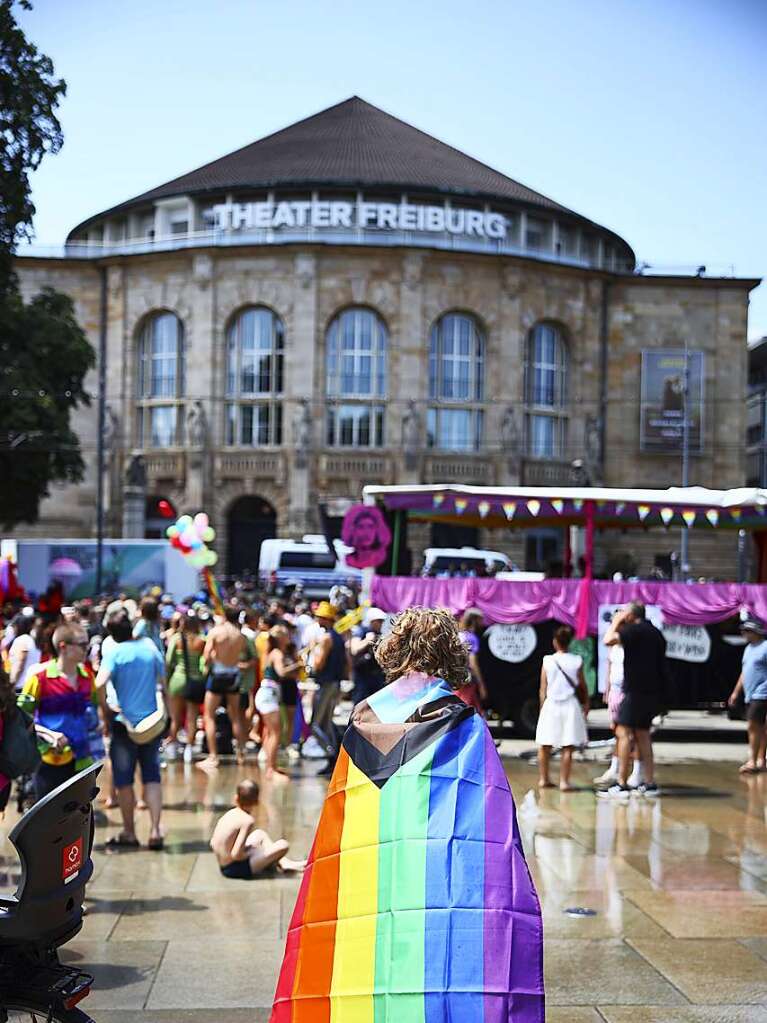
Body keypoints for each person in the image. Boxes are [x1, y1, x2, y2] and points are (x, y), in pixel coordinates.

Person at [270, 606, 544, 1021]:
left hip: (373, 871)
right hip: (436, 871)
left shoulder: (363, 719)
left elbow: (343, 819)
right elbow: (487, 820)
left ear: (395, 649)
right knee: (434, 969)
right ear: (449, 652)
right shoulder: (464, 722)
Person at [96, 610, 167, 849]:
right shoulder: (149, 650)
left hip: (123, 723)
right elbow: (163, 685)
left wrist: (105, 707)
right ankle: (156, 830)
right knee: (152, 776)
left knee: (124, 780)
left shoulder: (114, 653)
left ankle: (129, 832)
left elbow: (99, 683)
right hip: (151, 724)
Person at [18, 623, 97, 800]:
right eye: (83, 645)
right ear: (63, 647)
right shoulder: (40, 679)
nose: (87, 649)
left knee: (80, 820)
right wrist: (48, 734)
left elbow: (93, 713)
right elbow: (20, 719)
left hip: (82, 761)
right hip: (48, 762)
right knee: (49, 822)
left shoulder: (88, 678)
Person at [600, 603, 667, 798]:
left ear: (631, 615)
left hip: (634, 691)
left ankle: (621, 783)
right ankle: (649, 782)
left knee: (623, 733)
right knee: (643, 735)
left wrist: (617, 621)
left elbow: (608, 639)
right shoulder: (655, 633)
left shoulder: (635, 631)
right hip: (651, 692)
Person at [210, 779, 304, 879]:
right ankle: (280, 862)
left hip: (223, 865)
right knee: (283, 845)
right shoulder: (247, 821)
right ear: (257, 802)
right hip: (235, 869)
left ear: (236, 798)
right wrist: (251, 852)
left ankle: (285, 863)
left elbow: (213, 843)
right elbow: (236, 855)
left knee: (259, 834)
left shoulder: (230, 813)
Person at [535, 625, 589, 791]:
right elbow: (582, 685)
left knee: (545, 743)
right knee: (568, 744)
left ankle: (544, 779)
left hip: (551, 704)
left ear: (555, 642)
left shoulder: (548, 660)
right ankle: (564, 781)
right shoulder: (576, 660)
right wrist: (586, 703)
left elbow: (543, 688)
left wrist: (542, 707)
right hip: (570, 705)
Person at [199, 605, 249, 770]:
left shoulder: (216, 632)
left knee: (209, 715)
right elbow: (240, 654)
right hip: (233, 675)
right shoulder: (240, 636)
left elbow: (206, 656)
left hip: (218, 674)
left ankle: (213, 756)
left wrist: (213, 658)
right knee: (235, 715)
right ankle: (241, 753)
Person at [307, 601, 349, 776]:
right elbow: (347, 663)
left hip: (325, 684)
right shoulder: (339, 637)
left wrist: (312, 653)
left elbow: (318, 664)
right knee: (328, 722)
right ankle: (335, 757)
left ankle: (333, 754)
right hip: (335, 684)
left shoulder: (325, 638)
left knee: (316, 724)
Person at [258, 625, 300, 782]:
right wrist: (297, 665)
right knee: (276, 733)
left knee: (271, 732)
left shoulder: (272, 652)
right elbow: (282, 672)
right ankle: (271, 769)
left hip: (269, 692)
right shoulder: (277, 653)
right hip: (269, 692)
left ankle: (272, 766)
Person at [165, 612, 206, 763]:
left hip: (177, 680)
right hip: (194, 681)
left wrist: (166, 681)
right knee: (192, 717)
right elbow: (204, 663)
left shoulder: (176, 639)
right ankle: (189, 747)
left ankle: (173, 747)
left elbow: (169, 662)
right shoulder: (202, 641)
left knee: (175, 717)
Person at [728, 618, 767, 774]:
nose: (744, 633)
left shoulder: (765, 647)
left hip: (762, 692)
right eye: (744, 630)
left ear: (757, 632)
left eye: (748, 630)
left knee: (753, 725)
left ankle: (753, 760)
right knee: (759, 727)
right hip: (750, 693)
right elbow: (744, 672)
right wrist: (736, 692)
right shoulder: (749, 649)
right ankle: (761, 760)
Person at [350, 607, 387, 704]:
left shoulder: (379, 634)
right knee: (360, 703)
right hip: (362, 676)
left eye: (381, 621)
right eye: (378, 621)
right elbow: (354, 649)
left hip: (376, 676)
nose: (380, 624)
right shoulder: (361, 631)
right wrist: (367, 641)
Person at [457, 608, 489, 711]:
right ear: (475, 620)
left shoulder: (458, 636)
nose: (482, 623)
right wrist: (481, 684)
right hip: (467, 679)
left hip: (456, 677)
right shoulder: (472, 638)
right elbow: (473, 663)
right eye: (480, 620)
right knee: (466, 707)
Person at [8, 613, 41, 691]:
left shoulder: (21, 640)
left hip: (21, 685)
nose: (12, 629)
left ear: (18, 626)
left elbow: (19, 664)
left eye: (13, 626)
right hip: (32, 684)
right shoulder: (33, 640)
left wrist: (12, 683)